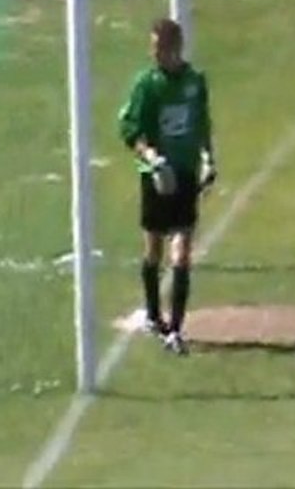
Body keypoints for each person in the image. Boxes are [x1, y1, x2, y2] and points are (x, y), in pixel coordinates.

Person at [118, 18, 217, 356]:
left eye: (159, 47)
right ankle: (152, 314)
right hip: (156, 175)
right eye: (153, 48)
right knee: (153, 248)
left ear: (176, 48)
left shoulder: (194, 82)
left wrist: (208, 158)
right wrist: (151, 157)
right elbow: (130, 129)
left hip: (185, 172)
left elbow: (202, 123)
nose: (155, 53)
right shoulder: (147, 85)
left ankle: (175, 328)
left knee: (183, 248)